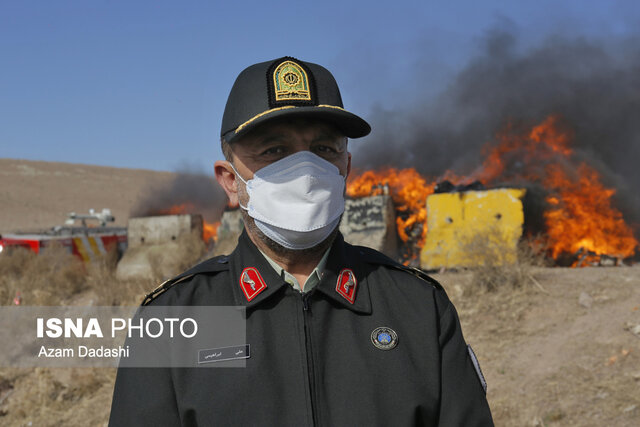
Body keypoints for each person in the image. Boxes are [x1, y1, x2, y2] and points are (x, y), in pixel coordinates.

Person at [109, 56, 494, 426]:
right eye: (275, 150)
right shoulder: (176, 318)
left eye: (324, 149)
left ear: (346, 167)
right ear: (230, 181)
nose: (306, 169)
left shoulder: (418, 308)